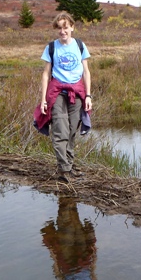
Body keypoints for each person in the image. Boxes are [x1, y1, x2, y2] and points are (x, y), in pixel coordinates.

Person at [35, 12, 92, 182]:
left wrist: (88, 95)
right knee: (60, 130)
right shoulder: (51, 48)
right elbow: (46, 74)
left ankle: (69, 164)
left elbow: (86, 72)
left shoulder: (80, 46)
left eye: (65, 27)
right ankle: (64, 170)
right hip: (57, 92)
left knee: (72, 129)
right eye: (59, 28)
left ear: (72, 27)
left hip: (77, 93)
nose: (62, 31)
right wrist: (44, 99)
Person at [41, 197, 99, 280]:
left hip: (67, 262)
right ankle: (69, 198)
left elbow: (58, 274)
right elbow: (93, 274)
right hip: (83, 260)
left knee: (67, 227)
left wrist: (53, 254)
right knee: (75, 228)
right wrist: (94, 256)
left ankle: (66, 198)